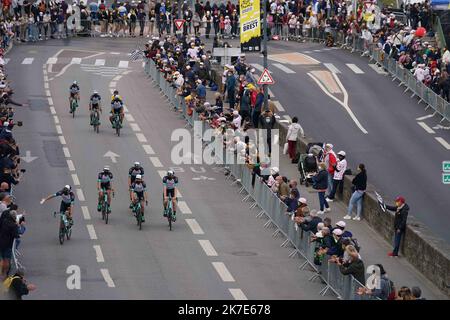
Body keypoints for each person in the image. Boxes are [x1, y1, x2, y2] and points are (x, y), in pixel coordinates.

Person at [0, 209, 19, 279]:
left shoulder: (5, 221)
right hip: (8, 244)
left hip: (1, 241)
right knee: (7, 259)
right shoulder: (13, 225)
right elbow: (16, 235)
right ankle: (4, 274)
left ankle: (2, 272)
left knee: (2, 258)